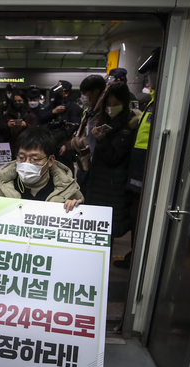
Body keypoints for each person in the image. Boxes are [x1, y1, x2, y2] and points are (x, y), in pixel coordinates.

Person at [0, 128, 83, 271]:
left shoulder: (67, 189)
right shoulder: (0, 186)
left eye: (35, 159)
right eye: (21, 157)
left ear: (50, 160)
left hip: (50, 268)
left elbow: (81, 237)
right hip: (9, 266)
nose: (27, 163)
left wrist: (77, 212)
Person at [114, 48, 160, 269]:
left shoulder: (163, 103)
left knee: (141, 217)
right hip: (138, 172)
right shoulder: (152, 102)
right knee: (135, 217)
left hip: (147, 173)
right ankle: (135, 255)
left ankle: (141, 259)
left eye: (153, 72)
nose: (149, 78)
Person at [84, 82, 136, 241]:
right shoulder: (102, 120)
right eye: (108, 103)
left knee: (105, 231)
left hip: (112, 187)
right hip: (98, 183)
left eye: (116, 104)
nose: (111, 107)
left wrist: (101, 140)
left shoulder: (128, 125)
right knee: (95, 227)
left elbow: (113, 157)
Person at [62, 74, 107, 187]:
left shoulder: (103, 112)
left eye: (85, 93)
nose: (83, 96)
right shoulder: (90, 110)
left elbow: (92, 139)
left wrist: (72, 143)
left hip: (93, 163)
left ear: (96, 92)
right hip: (83, 162)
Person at [0, 89, 38, 156]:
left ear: (24, 101)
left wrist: (26, 126)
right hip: (10, 149)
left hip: (26, 149)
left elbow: (35, 132)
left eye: (19, 101)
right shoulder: (6, 116)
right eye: (15, 101)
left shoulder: (30, 117)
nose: (17, 103)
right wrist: (7, 126)